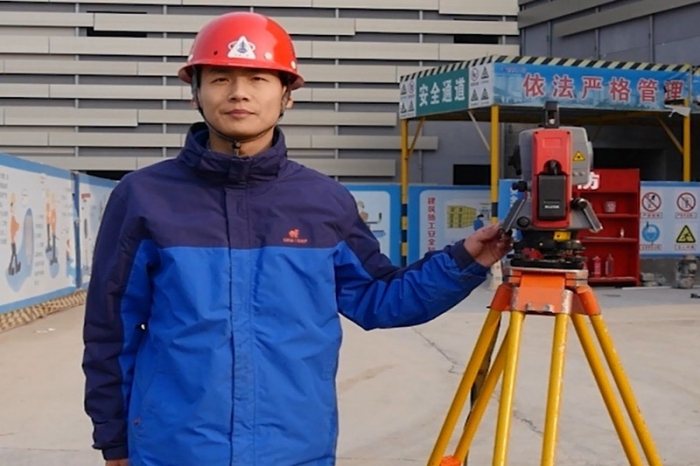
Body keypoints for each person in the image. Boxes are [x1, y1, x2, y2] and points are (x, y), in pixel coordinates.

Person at [81, 11, 513, 466]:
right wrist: (114, 438)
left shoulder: (323, 201)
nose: (239, 92)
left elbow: (380, 299)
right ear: (196, 92)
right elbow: (111, 329)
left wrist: (465, 259)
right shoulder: (144, 197)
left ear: (287, 94)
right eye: (221, 78)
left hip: (295, 449)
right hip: (174, 449)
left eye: (258, 78)